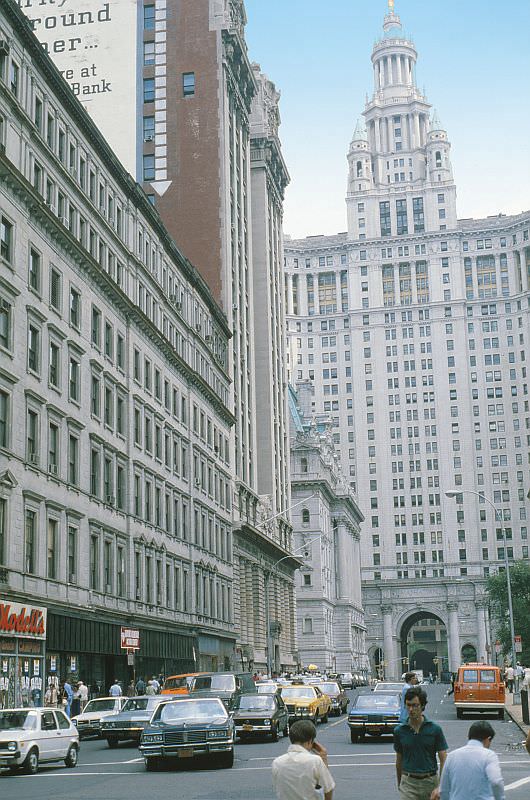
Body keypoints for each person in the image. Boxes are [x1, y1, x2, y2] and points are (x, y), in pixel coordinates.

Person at [394, 686, 448, 800]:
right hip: (408, 783)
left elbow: (444, 759)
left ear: (422, 706)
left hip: (430, 782)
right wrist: (400, 784)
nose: (411, 709)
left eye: (415, 705)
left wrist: (440, 786)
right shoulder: (399, 731)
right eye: (408, 705)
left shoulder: (434, 729)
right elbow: (399, 760)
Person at [272, 719, 335, 800]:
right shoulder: (315, 761)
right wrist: (324, 758)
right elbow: (328, 787)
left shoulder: (277, 763)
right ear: (310, 741)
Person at [440, 721, 504, 800]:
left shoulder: (452, 756)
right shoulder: (489, 755)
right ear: (488, 739)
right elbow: (496, 782)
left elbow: (444, 790)